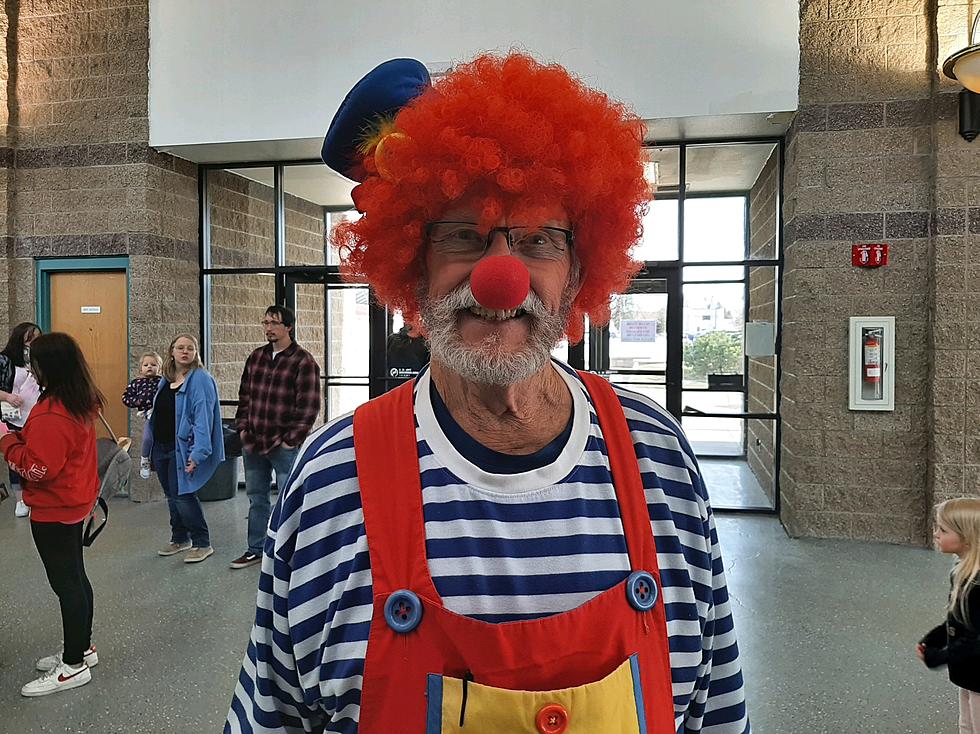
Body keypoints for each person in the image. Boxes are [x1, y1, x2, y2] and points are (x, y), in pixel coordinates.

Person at [226, 53, 749, 733]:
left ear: (578, 269)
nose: (501, 277)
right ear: (413, 267)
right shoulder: (330, 480)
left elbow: (718, 713)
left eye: (536, 240)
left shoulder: (659, 458)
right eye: (463, 237)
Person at [0, 333, 102, 696]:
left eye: (34, 360)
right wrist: (20, 435)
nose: (30, 367)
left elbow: (39, 469)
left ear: (48, 366)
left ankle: (73, 665)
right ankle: (83, 648)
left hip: (55, 508)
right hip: (75, 502)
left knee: (67, 584)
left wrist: (5, 441)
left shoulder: (53, 413)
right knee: (75, 577)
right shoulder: (75, 399)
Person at [229, 305, 321, 570]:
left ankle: (287, 553)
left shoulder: (303, 361)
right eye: (266, 322)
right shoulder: (256, 357)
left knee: (287, 500)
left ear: (288, 327)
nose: (269, 328)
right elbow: (244, 395)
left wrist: (291, 440)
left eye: (274, 323)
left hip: (283, 446)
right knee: (256, 498)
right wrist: (243, 428)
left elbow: (309, 406)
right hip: (253, 442)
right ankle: (255, 549)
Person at [148, 334, 223, 564]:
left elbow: (203, 417)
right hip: (161, 447)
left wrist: (197, 453)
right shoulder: (167, 378)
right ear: (171, 351)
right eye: (180, 347)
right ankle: (180, 538)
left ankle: (202, 542)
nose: (185, 352)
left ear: (195, 353)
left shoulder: (200, 379)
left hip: (182, 449)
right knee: (172, 496)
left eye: (190, 348)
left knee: (184, 495)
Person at [917, 497, 980, 734]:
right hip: (971, 672)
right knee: (967, 724)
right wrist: (933, 639)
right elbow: (959, 620)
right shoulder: (963, 572)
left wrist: (941, 656)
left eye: (942, 530)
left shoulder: (977, 584)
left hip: (976, 669)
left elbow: (976, 639)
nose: (936, 534)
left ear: (967, 537)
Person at [0, 322, 42, 517]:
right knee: (16, 457)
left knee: (38, 455)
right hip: (14, 415)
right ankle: (20, 499)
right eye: (30, 339)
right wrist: (7, 396)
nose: (33, 343)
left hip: (38, 416)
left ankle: (38, 495)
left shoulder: (42, 359)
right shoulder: (5, 360)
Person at [122, 351, 164, 479]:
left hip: (164, 415)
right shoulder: (137, 383)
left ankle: (159, 463)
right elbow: (126, 398)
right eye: (146, 365)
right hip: (149, 415)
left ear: (160, 368)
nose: (149, 367)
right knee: (147, 438)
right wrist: (137, 401)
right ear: (141, 368)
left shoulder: (162, 381)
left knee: (162, 442)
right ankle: (145, 460)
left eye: (153, 364)